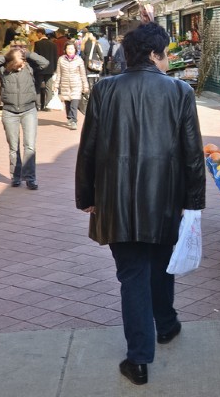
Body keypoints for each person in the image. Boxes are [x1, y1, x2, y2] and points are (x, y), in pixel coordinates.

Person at [75, 23, 205, 386]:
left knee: (132, 276)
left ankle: (139, 359)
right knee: (161, 266)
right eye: (165, 54)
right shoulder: (180, 91)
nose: (169, 61)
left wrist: (86, 196)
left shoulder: (104, 89)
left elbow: (89, 147)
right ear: (153, 54)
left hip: (114, 201)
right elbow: (193, 154)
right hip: (165, 201)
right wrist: (193, 202)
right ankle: (165, 327)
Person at [0, 40, 49, 190]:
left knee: (30, 146)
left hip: (29, 110)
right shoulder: (3, 71)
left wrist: (27, 54)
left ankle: (30, 178)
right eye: (19, 63)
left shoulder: (30, 68)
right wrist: (7, 56)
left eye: (23, 62)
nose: (22, 65)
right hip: (9, 112)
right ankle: (16, 176)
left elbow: (45, 63)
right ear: (12, 63)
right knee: (14, 147)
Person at [55, 42, 88, 129]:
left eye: (72, 49)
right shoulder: (61, 59)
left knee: (74, 104)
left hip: (76, 84)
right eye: (68, 48)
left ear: (75, 50)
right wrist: (56, 84)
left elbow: (83, 74)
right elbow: (59, 73)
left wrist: (85, 86)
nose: (70, 50)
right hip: (65, 84)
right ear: (65, 50)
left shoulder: (79, 60)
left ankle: (74, 121)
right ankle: (69, 117)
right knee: (68, 103)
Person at [33, 28, 58, 111]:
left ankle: (38, 105)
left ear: (40, 34)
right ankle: (48, 105)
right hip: (50, 69)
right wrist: (54, 69)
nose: (36, 35)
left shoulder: (37, 44)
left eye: (37, 34)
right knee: (48, 88)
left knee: (38, 87)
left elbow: (35, 57)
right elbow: (55, 58)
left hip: (40, 69)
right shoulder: (53, 44)